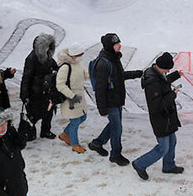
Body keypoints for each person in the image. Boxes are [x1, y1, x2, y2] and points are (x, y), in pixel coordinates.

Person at [88, 33, 144, 166]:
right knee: (117, 128)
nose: (120, 45)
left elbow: (119, 76)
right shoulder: (103, 63)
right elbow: (100, 89)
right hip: (110, 102)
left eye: (119, 43)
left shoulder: (113, 58)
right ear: (110, 46)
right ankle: (116, 155)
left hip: (117, 99)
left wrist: (138, 73)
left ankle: (97, 143)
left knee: (114, 125)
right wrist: (102, 109)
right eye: (116, 44)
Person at [132, 53, 183, 180]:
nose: (168, 71)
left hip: (168, 116)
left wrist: (176, 75)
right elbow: (156, 105)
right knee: (163, 147)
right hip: (160, 119)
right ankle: (139, 164)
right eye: (167, 69)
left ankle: (169, 166)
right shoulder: (152, 82)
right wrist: (173, 95)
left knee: (172, 141)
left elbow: (164, 82)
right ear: (161, 67)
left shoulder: (158, 73)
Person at [20, 34, 57, 139]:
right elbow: (26, 77)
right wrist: (24, 94)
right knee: (33, 113)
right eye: (45, 46)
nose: (48, 48)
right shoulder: (31, 58)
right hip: (35, 92)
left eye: (49, 46)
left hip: (47, 90)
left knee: (48, 112)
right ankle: (30, 132)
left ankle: (45, 131)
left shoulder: (48, 57)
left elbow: (55, 67)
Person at [55, 46, 90, 154]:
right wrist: (72, 95)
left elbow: (86, 75)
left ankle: (65, 134)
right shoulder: (65, 67)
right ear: (74, 55)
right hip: (70, 98)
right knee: (75, 121)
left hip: (80, 96)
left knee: (83, 117)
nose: (81, 57)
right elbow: (60, 85)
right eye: (80, 55)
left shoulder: (78, 63)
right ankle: (75, 144)